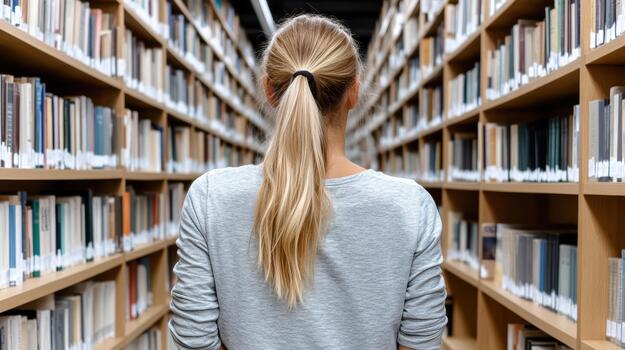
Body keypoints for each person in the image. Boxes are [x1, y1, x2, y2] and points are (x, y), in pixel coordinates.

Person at [168, 14, 447, 350]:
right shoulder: (408, 206)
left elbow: (193, 341)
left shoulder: (211, 197)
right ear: (354, 91)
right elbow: (421, 341)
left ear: (269, 90)